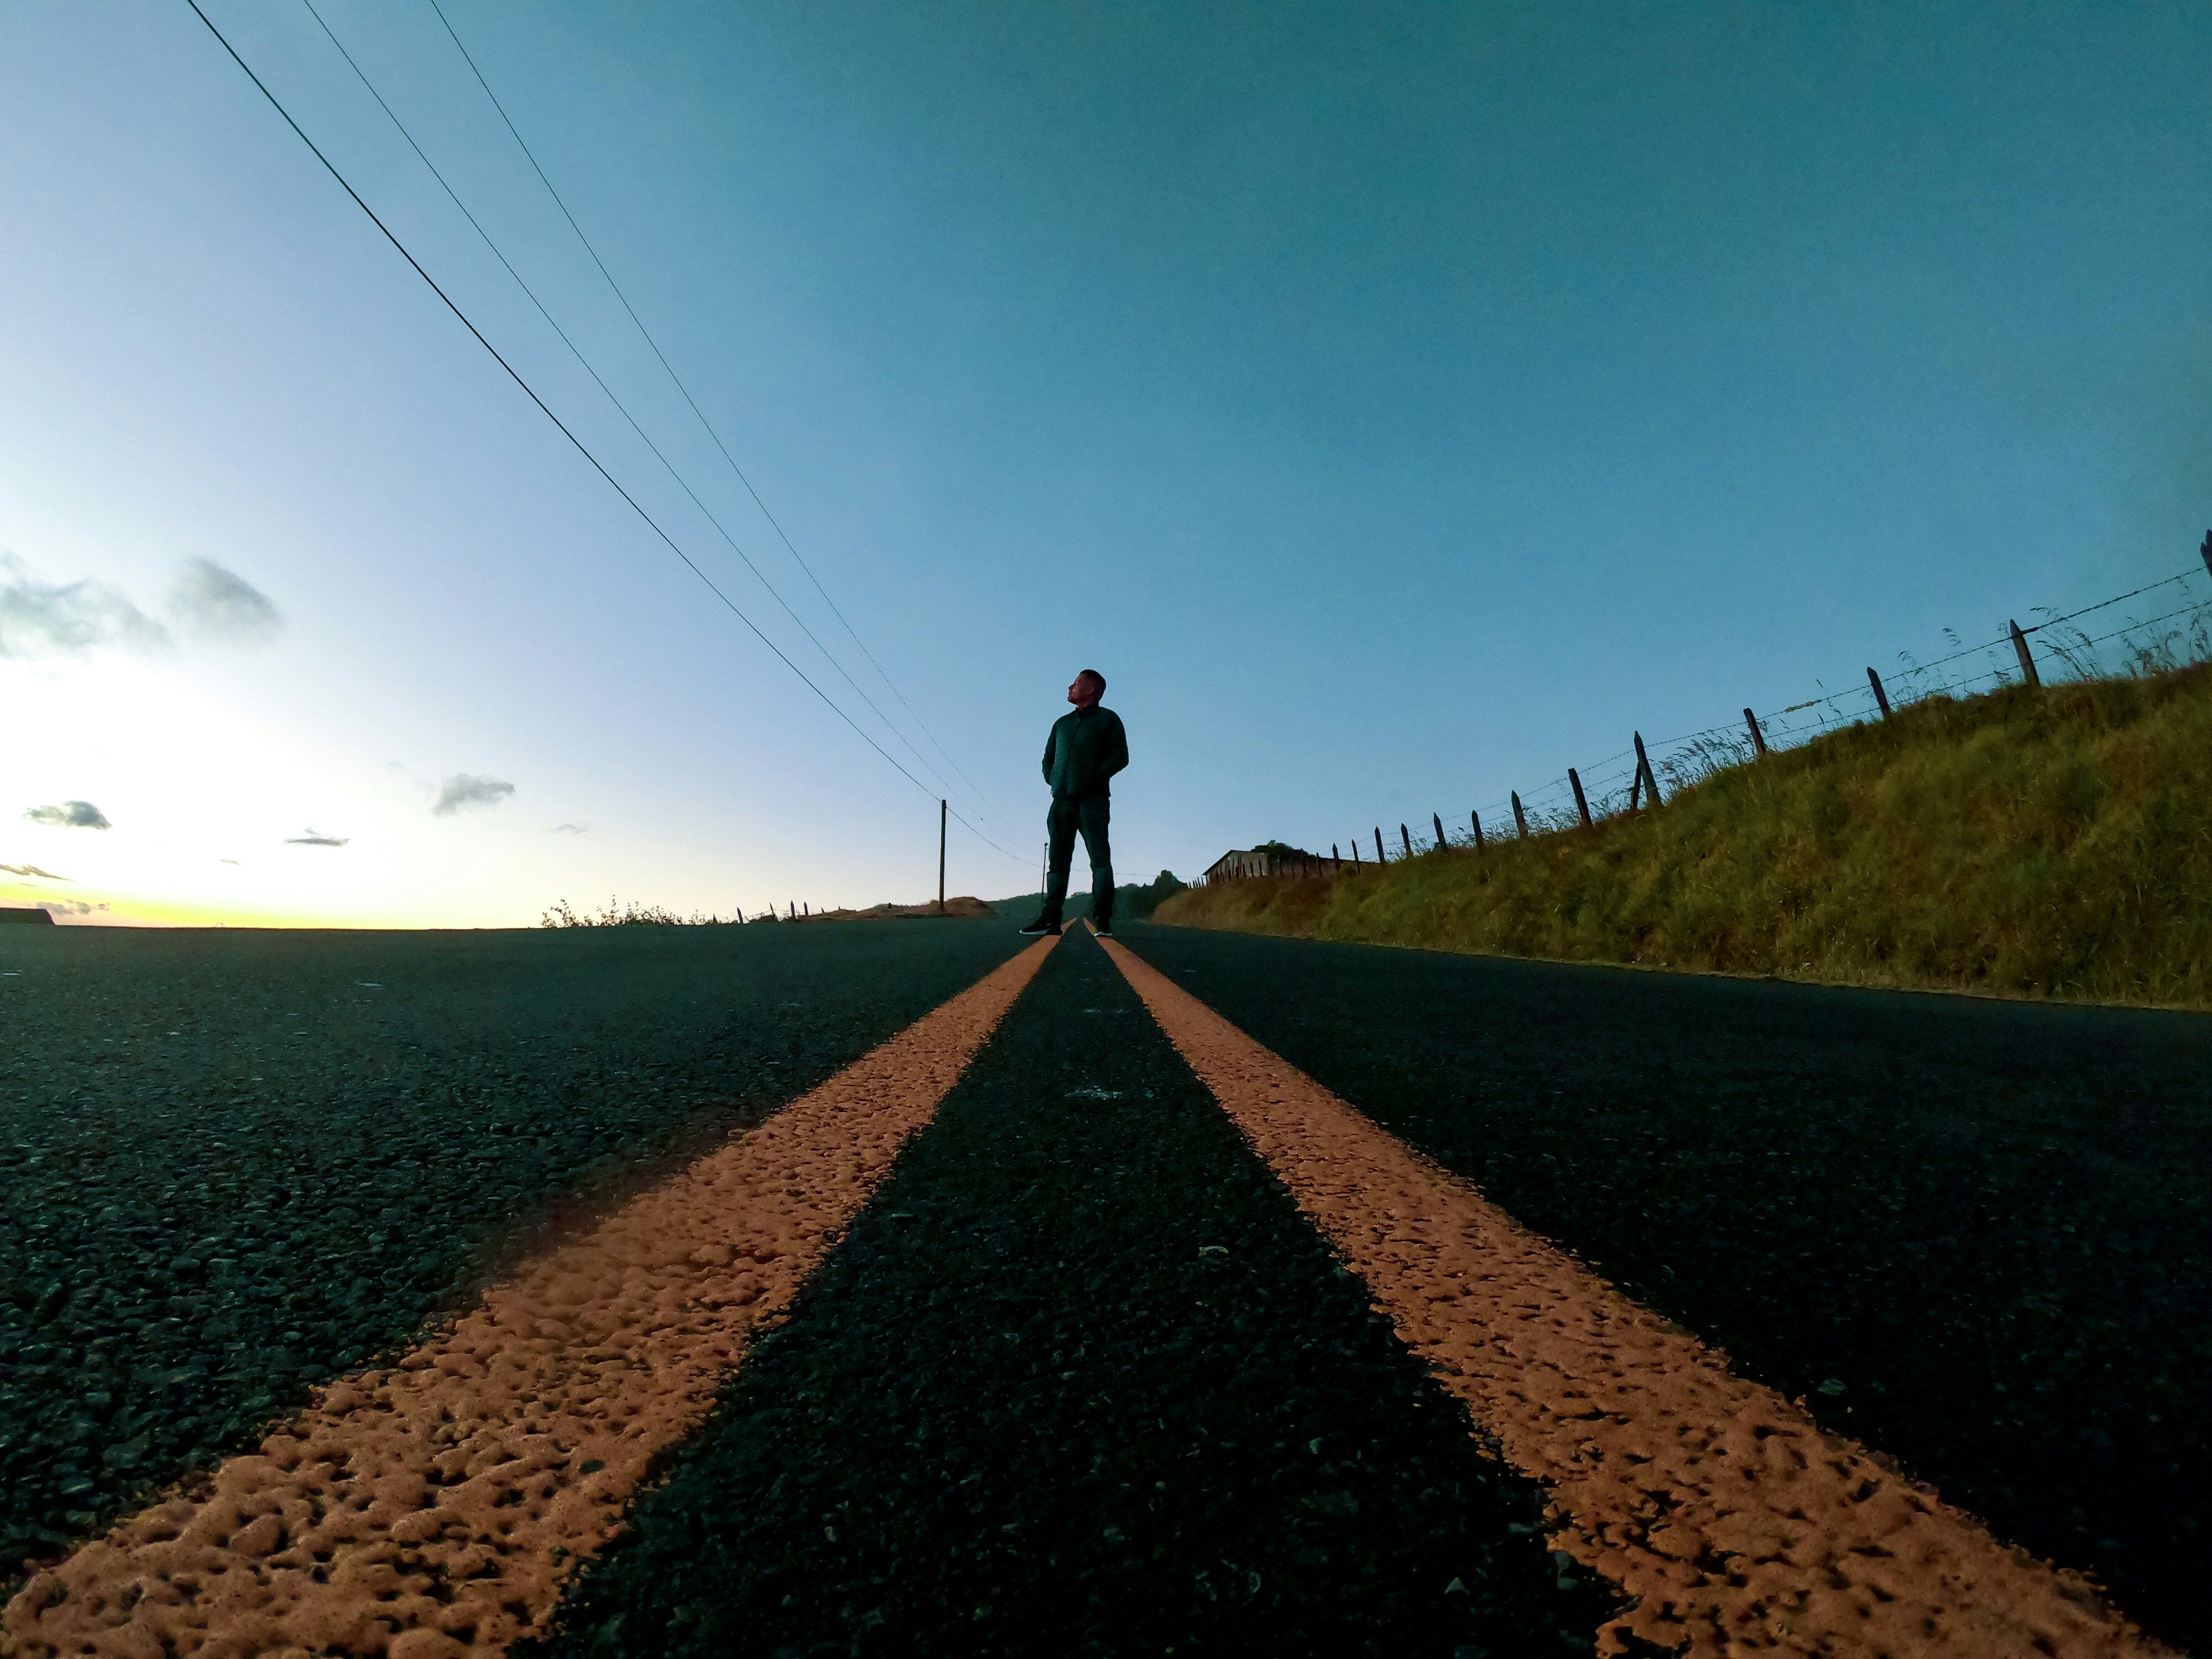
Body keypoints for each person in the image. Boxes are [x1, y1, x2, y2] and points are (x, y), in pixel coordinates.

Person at [1022, 669, 1128, 936]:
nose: (1071, 686)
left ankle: (1102, 919)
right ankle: (1050, 920)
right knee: (1057, 862)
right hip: (1061, 803)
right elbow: (1048, 760)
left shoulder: (1108, 719)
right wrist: (1055, 781)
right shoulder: (1061, 724)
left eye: (1078, 683)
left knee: (1100, 860)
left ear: (1092, 690)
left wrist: (1090, 779)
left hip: (1093, 803)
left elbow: (1120, 757)